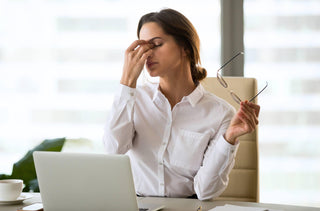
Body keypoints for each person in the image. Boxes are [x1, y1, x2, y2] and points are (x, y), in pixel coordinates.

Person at [103, 8, 260, 200]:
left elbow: (205, 191)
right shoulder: (132, 99)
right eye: (143, 48)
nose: (147, 55)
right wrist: (127, 82)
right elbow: (113, 151)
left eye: (157, 44)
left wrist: (228, 139)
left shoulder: (220, 113)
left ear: (185, 47)